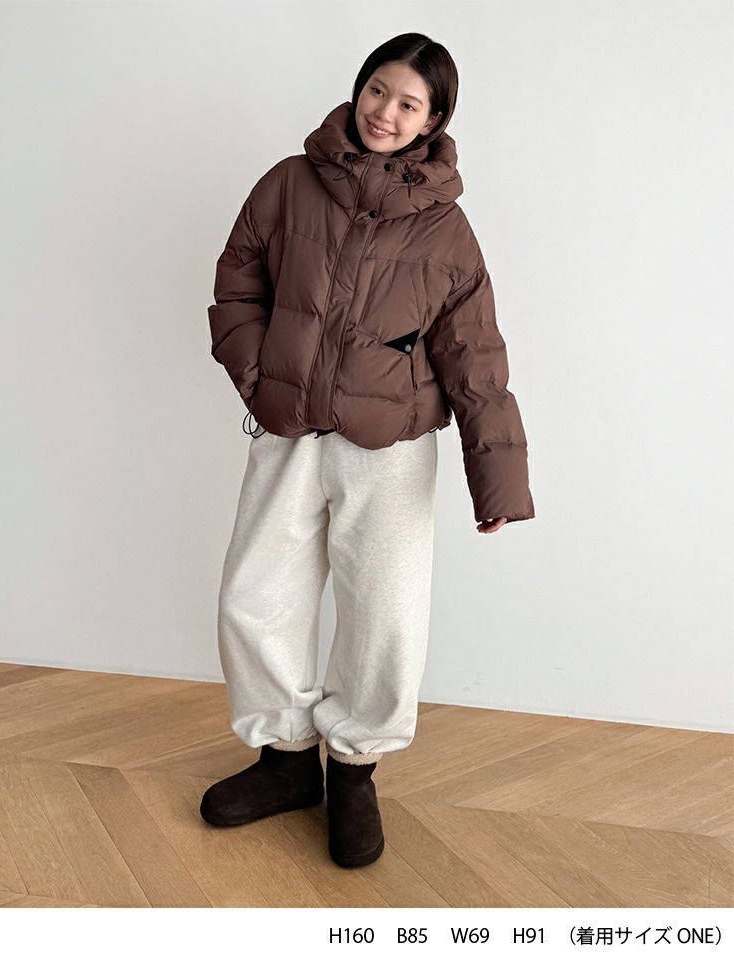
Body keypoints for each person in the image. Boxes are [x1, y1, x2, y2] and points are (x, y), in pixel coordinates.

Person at [201, 33, 535, 869]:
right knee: (254, 597)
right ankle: (285, 763)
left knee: (383, 613)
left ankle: (353, 771)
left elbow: (474, 353)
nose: (386, 112)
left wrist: (496, 479)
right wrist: (261, 379)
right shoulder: (288, 183)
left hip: (390, 450)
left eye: (408, 103)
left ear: (434, 120)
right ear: (358, 89)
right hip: (288, 432)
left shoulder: (447, 229)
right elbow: (238, 283)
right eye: (378, 90)